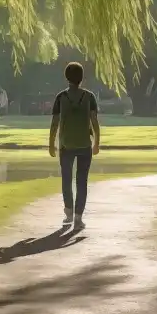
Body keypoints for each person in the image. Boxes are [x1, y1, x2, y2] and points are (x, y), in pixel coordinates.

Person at [48, 61, 100, 230]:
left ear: (66, 77)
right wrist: (97, 142)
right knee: (82, 181)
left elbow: (54, 123)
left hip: (66, 145)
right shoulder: (89, 97)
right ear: (82, 77)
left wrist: (51, 144)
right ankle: (78, 218)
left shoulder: (61, 97)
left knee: (66, 179)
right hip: (85, 144)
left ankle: (69, 212)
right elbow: (94, 121)